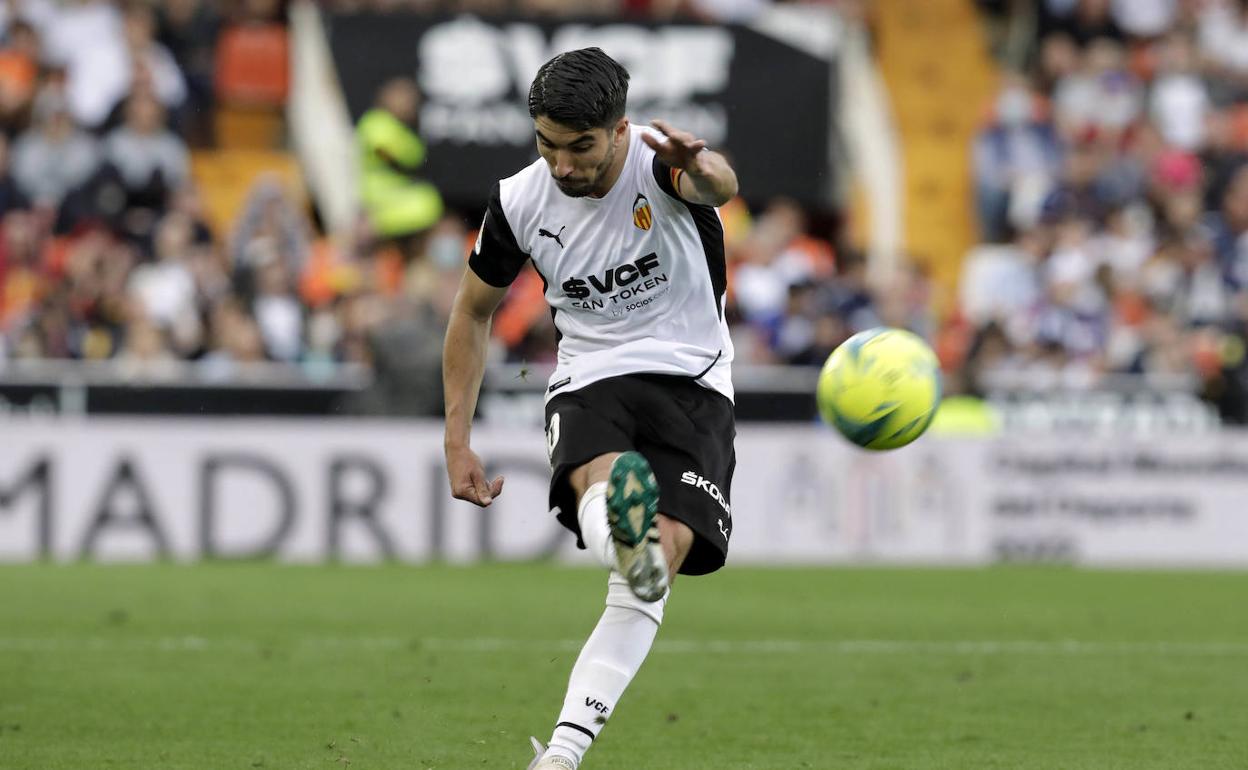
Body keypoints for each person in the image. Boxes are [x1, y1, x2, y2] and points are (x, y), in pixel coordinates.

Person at [441, 47, 739, 769]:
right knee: (605, 488)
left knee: (657, 563)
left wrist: (700, 166)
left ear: (619, 130)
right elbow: (472, 313)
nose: (564, 165)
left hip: (692, 381)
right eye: (548, 145)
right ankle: (562, 758)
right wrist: (456, 438)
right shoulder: (517, 200)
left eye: (581, 147)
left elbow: (719, 185)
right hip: (590, 376)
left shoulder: (659, 165)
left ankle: (564, 750)